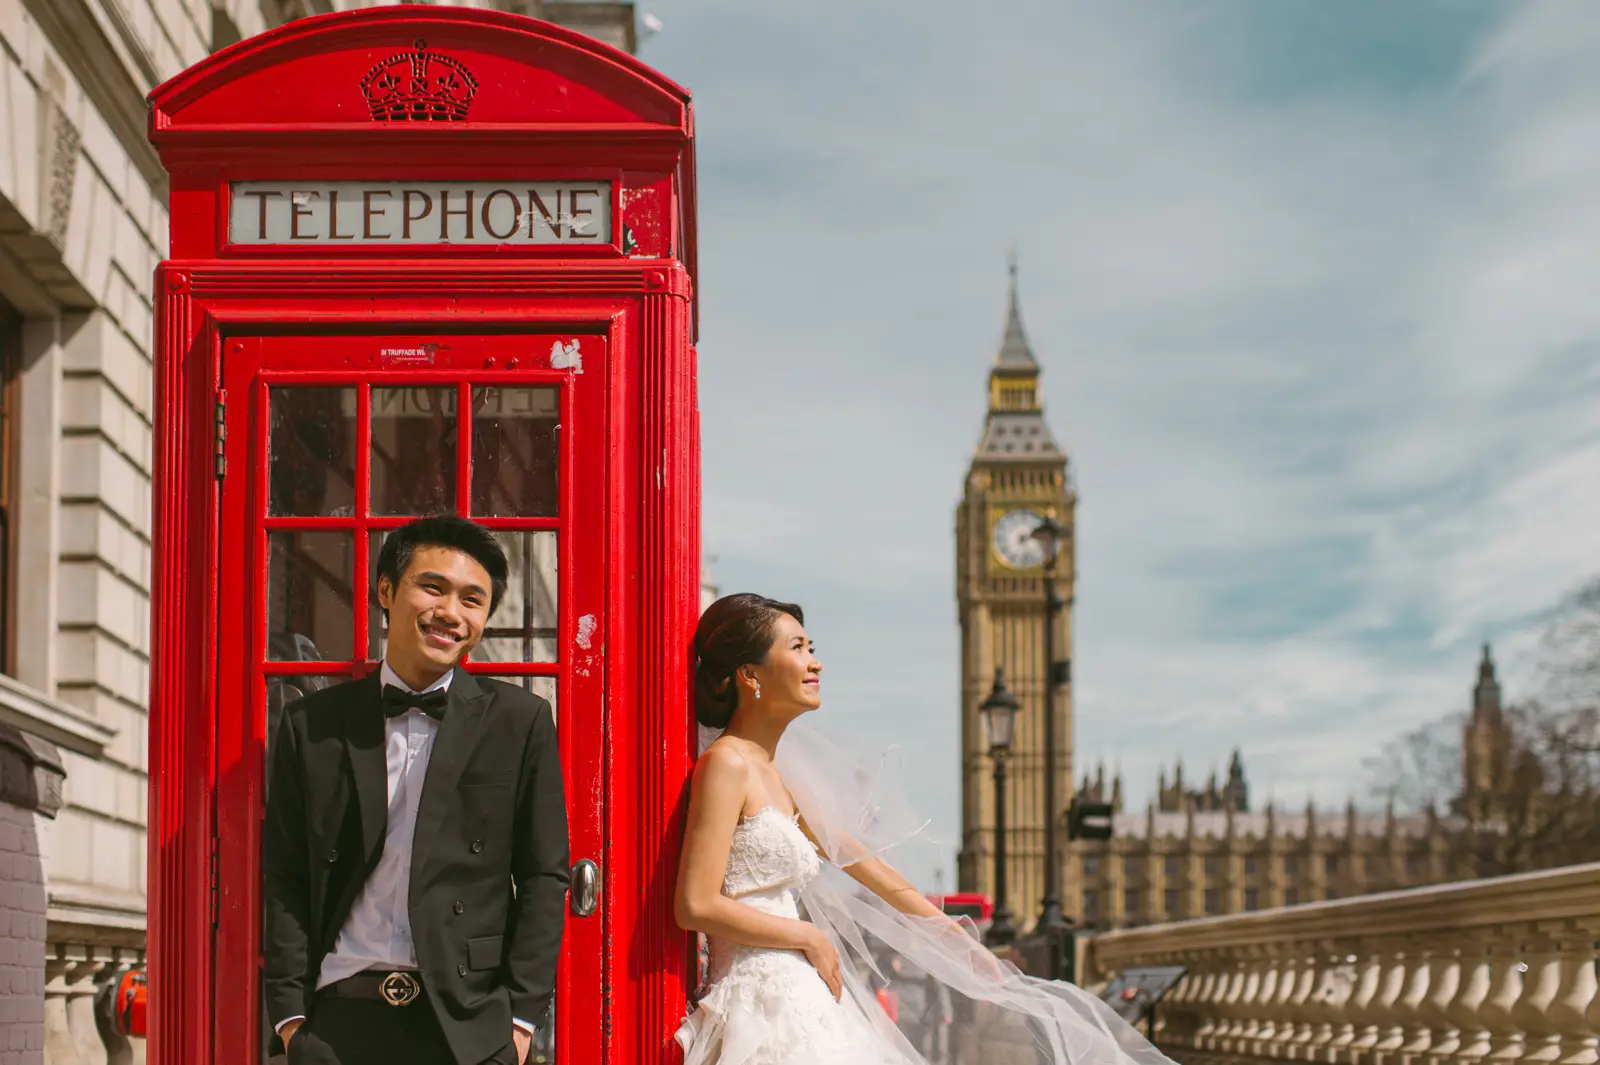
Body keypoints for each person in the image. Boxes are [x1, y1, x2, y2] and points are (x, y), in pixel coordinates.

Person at [674, 593, 1177, 1065]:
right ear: (749, 674)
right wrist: (805, 935)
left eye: (813, 647)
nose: (815, 661)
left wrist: (958, 942)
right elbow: (693, 904)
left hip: (803, 995)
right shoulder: (728, 766)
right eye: (798, 647)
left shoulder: (778, 775)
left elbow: (874, 871)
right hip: (759, 1005)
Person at [263, 516, 569, 1065]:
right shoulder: (311, 725)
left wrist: (520, 1021)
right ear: (386, 590)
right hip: (337, 1024)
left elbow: (545, 874)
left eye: (472, 599)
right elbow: (285, 870)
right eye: (433, 587)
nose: (451, 612)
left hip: (466, 1026)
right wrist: (290, 1018)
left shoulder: (521, 722)